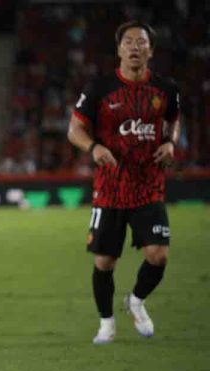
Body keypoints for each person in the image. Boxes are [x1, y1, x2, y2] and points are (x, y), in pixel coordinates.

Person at [67, 21, 180, 345]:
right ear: (118, 50)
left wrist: (170, 142)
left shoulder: (166, 89)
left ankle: (136, 300)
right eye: (128, 42)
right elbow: (74, 129)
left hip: (149, 185)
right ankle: (106, 323)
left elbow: (174, 118)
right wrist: (94, 146)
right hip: (111, 188)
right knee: (105, 261)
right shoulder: (100, 88)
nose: (135, 47)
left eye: (141, 42)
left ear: (151, 50)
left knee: (158, 255)